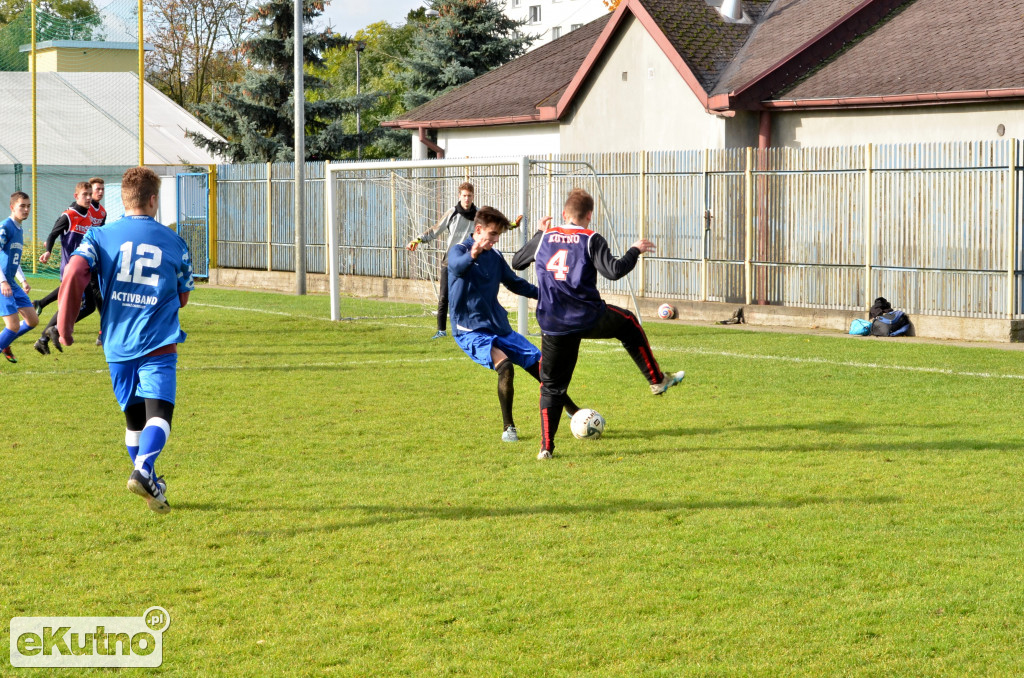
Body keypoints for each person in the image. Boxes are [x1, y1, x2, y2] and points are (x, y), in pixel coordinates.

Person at [58, 167, 194, 514]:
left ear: (123, 200)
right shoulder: (176, 243)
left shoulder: (100, 237)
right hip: (157, 341)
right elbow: (182, 298)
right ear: (152, 200)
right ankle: (144, 470)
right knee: (160, 414)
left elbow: (74, 271)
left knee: (134, 420)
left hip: (116, 343)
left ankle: (153, 490)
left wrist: (65, 325)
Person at [512, 188, 685, 460]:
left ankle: (546, 447)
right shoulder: (591, 239)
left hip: (553, 323)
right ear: (589, 216)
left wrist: (537, 233)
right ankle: (656, 380)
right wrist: (634, 250)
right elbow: (614, 271)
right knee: (628, 323)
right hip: (587, 317)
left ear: (563, 214)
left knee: (552, 386)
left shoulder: (545, 236)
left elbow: (517, 261)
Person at [449, 206, 580, 443]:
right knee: (505, 367)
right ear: (478, 230)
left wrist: (548, 295)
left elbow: (515, 283)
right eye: (492, 235)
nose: (495, 240)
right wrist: (473, 254)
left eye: (498, 235)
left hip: (498, 326)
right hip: (470, 329)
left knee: (542, 367)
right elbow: (457, 267)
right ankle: (508, 427)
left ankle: (573, 411)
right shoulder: (459, 250)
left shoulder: (495, 256)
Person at [34, 181, 103, 355]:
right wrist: (48, 251)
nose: (88, 198)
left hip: (83, 269)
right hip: (70, 270)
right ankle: (51, 332)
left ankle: (45, 337)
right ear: (76, 196)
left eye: (90, 194)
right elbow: (53, 234)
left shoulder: (89, 219)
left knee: (87, 307)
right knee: (77, 307)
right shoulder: (68, 215)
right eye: (85, 194)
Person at [407, 181, 477, 339]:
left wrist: (511, 225)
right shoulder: (452, 212)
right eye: (464, 196)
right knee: (444, 295)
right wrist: (417, 240)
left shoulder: (479, 214)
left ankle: (470, 328)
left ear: (473, 196)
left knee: (471, 295)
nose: (467, 199)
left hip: (469, 261)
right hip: (450, 260)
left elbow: (492, 225)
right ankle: (441, 330)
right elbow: (435, 230)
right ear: (459, 196)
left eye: (469, 196)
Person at [0, 192, 39, 363]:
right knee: (13, 325)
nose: (26, 209)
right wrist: (2, 281)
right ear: (12, 207)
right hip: (2, 282)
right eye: (22, 206)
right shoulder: (5, 227)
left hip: (12, 282)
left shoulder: (19, 228)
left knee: (32, 320)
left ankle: (5, 342)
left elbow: (14, 258)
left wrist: (23, 280)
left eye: (28, 206)